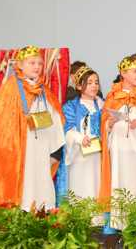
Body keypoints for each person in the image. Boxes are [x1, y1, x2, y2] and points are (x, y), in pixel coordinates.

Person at [0, 45, 66, 210]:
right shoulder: (10, 89)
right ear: (20, 65)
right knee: (25, 187)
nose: (37, 67)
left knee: (41, 186)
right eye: (31, 63)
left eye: (39, 64)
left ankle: (42, 220)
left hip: (42, 150)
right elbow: (2, 127)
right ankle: (22, 222)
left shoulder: (43, 90)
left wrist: (56, 152)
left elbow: (55, 119)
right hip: (21, 152)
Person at [99, 55, 136, 229]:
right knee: (120, 182)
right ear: (123, 73)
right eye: (135, 71)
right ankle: (120, 224)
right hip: (118, 149)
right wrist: (108, 124)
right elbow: (103, 122)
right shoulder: (112, 96)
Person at [57, 65, 103, 201]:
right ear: (78, 86)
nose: (94, 86)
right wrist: (80, 138)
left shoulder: (103, 105)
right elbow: (67, 129)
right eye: (89, 83)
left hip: (97, 157)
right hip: (79, 155)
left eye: (96, 82)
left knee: (97, 185)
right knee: (80, 188)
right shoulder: (71, 106)